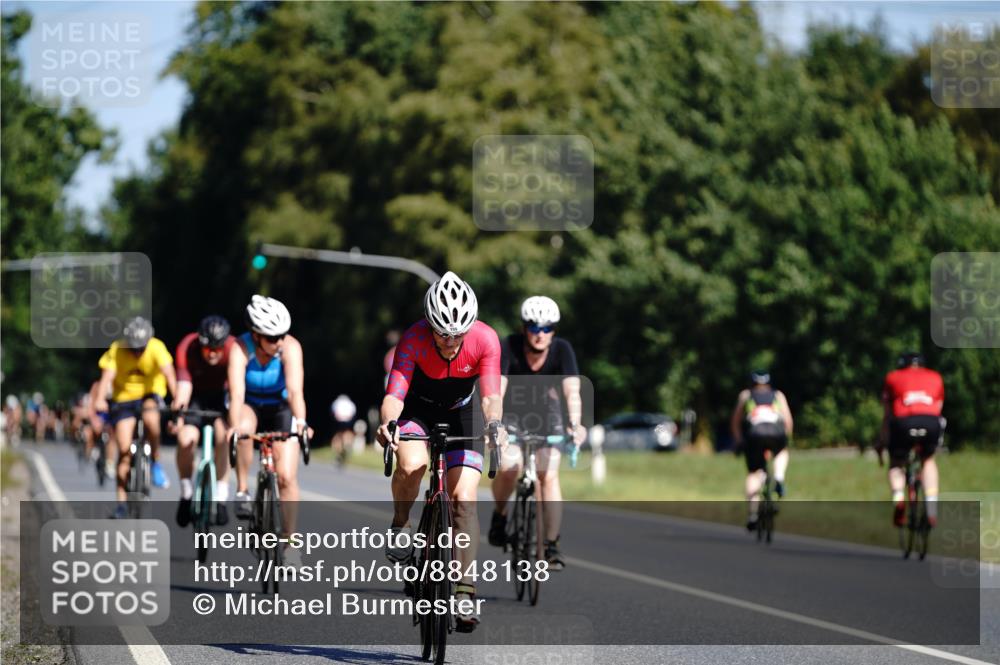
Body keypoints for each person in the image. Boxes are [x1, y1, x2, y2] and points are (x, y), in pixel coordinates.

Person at [376, 271, 507, 633]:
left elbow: (491, 396)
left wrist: (495, 424)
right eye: (442, 333)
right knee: (413, 464)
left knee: (464, 498)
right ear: (428, 325)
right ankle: (401, 524)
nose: (450, 342)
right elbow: (394, 395)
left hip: (463, 414)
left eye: (457, 335)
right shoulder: (414, 339)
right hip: (417, 410)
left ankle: (465, 589)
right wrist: (389, 423)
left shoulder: (485, 339)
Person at [488, 296, 586, 570]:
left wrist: (575, 425)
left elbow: (572, 391)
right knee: (509, 467)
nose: (539, 334)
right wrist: (495, 423)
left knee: (549, 475)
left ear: (553, 330)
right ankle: (500, 514)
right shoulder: (508, 346)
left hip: (548, 416)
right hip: (512, 415)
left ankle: (552, 545)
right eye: (534, 327)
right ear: (524, 328)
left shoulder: (562, 350)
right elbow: (499, 387)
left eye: (546, 328)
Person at [227, 295, 312, 567]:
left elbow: (296, 391)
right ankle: (241, 488)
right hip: (250, 403)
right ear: (255, 334)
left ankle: (290, 542)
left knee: (286, 475)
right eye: (271, 337)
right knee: (243, 429)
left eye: (281, 336)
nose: (278, 342)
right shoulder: (240, 348)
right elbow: (237, 394)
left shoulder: (290, 348)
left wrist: (301, 422)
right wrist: (232, 427)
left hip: (280, 407)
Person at [94, 317, 177, 517]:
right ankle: (121, 504)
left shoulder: (157, 348)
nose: (138, 352)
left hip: (150, 394)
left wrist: (177, 401)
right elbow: (106, 377)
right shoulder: (117, 349)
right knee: (124, 450)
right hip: (123, 399)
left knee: (151, 421)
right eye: (134, 348)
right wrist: (99, 399)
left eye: (142, 348)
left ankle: (156, 462)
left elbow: (169, 374)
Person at [172, 315, 236, 527]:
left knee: (223, 437)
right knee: (185, 439)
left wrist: (234, 418)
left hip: (222, 397)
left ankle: (221, 494)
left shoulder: (234, 349)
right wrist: (179, 414)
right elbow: (183, 385)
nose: (212, 354)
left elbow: (236, 387)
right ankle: (186, 491)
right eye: (208, 348)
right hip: (196, 397)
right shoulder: (187, 347)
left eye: (217, 349)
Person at [880, 352, 944, 527]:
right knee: (928, 460)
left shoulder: (893, 377)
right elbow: (938, 408)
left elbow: (887, 415)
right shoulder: (935, 376)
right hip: (931, 422)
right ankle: (931, 509)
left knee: (896, 463)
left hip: (904, 422)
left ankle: (899, 497)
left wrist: (883, 440)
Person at [730, 370, 793, 532]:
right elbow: (788, 421)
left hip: (754, 436)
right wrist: (786, 439)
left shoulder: (746, 395)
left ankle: (752, 514)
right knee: (781, 452)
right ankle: (779, 477)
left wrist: (739, 441)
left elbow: (735, 422)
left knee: (753, 473)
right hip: (776, 433)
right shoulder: (778, 395)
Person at [329, 394, 357, 466]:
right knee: (347, 433)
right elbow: (353, 413)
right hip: (348, 420)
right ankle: (347, 445)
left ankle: (339, 450)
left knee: (338, 435)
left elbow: (333, 411)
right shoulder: (350, 403)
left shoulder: (336, 402)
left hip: (339, 420)